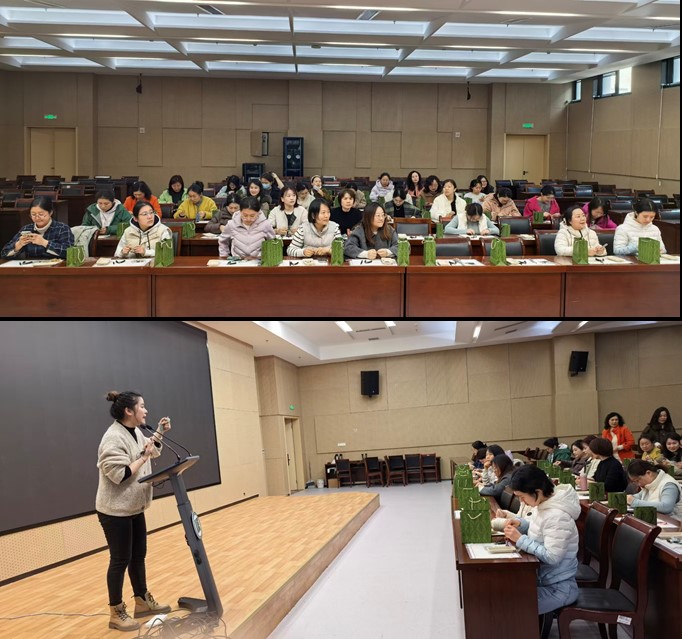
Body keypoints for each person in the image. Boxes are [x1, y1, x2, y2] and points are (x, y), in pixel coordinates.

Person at [96, 391, 172, 631]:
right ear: (129, 411)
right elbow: (119, 475)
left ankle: (142, 601)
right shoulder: (112, 438)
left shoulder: (135, 431)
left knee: (138, 556)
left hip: (134, 507)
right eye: (142, 406)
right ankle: (116, 612)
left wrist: (159, 432)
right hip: (115, 511)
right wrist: (144, 458)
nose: (146, 410)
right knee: (120, 560)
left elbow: (150, 450)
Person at [503, 463, 580, 628]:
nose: (522, 501)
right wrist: (521, 524)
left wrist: (520, 539)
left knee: (508, 607)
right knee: (503, 596)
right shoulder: (544, 505)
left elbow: (552, 556)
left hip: (559, 588)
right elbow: (539, 529)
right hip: (544, 580)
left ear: (537, 492)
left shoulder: (558, 516)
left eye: (522, 497)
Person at [1, 195, 74, 260]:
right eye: (33, 214)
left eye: (41, 214)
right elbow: (4, 253)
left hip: (57, 267)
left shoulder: (62, 228)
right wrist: (19, 244)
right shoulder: (26, 229)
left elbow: (70, 253)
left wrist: (44, 243)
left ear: (50, 212)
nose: (37, 218)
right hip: (31, 267)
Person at [218, 195, 275, 259]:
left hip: (258, 261)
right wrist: (224, 256)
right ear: (240, 212)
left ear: (258, 213)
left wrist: (268, 258)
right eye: (245, 215)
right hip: (238, 261)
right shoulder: (232, 224)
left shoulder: (265, 224)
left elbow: (273, 243)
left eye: (252, 216)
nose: (248, 219)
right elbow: (222, 241)